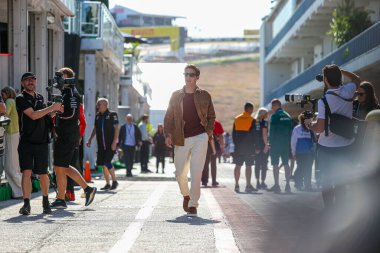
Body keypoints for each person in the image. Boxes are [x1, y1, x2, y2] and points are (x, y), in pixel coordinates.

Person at [164, 64, 215, 217]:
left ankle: (193, 204)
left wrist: (209, 131)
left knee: (196, 171)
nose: (188, 77)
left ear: (197, 77)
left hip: (200, 136)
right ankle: (186, 195)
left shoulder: (205, 95)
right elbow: (169, 117)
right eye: (186, 74)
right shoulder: (175, 95)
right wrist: (168, 134)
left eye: (191, 75)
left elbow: (211, 115)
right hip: (181, 137)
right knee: (180, 172)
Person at [308, 65, 361, 207]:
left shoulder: (323, 101)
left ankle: (330, 210)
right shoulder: (348, 91)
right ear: (340, 77)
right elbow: (357, 79)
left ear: (325, 80)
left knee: (327, 181)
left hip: (327, 147)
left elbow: (319, 128)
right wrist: (341, 71)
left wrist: (310, 125)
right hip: (347, 144)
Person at [16, 72, 62, 215]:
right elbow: (34, 115)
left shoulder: (40, 97)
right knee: (27, 172)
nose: (30, 82)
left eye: (33, 80)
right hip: (27, 141)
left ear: (36, 82)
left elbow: (46, 117)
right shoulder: (20, 98)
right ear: (23, 83)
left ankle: (45, 202)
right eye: (27, 80)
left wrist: (56, 110)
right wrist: (52, 107)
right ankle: (26, 204)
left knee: (43, 173)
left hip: (42, 141)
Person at [50, 67, 97, 209]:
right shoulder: (66, 92)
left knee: (60, 167)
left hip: (68, 134)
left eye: (61, 77)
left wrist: (55, 111)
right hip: (65, 134)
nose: (58, 80)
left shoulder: (71, 93)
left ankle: (67, 196)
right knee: (61, 166)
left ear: (68, 78)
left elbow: (72, 115)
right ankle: (66, 196)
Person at [86, 98, 119, 190]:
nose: (97, 106)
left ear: (104, 105)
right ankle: (108, 184)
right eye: (97, 104)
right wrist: (89, 139)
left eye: (99, 104)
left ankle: (115, 181)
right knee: (103, 165)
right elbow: (95, 128)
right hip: (101, 145)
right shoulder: (97, 116)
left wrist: (114, 142)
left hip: (110, 144)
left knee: (107, 162)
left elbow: (116, 129)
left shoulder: (112, 115)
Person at [1, 87, 23, 198]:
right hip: (13, 133)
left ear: (7, 94)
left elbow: (5, 114)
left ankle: (23, 188)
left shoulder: (9, 101)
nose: (2, 97)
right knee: (12, 165)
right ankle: (19, 192)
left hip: (11, 133)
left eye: (3, 94)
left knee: (11, 166)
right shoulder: (12, 101)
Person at [267, 99, 292, 194]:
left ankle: (277, 185)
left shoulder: (274, 116)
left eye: (272, 106)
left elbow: (272, 131)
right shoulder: (287, 115)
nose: (271, 108)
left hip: (276, 144)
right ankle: (288, 185)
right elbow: (290, 130)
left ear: (275, 105)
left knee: (275, 164)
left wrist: (270, 143)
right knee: (286, 163)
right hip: (286, 144)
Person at [232, 102, 257, 193]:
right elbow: (254, 135)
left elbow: (233, 134)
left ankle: (237, 185)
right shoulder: (252, 120)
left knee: (238, 165)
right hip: (249, 147)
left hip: (238, 147)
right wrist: (256, 147)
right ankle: (248, 185)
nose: (252, 111)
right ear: (249, 109)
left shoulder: (237, 119)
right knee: (249, 166)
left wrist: (236, 145)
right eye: (252, 109)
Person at [65, 101, 86, 201]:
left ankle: (69, 192)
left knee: (65, 166)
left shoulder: (63, 103)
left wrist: (80, 137)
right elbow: (83, 123)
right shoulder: (78, 105)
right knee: (68, 166)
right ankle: (69, 192)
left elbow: (83, 123)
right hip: (72, 139)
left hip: (69, 139)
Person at [291, 111, 316, 191]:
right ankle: (298, 183)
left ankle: (308, 185)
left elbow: (314, 141)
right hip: (300, 153)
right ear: (304, 119)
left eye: (311, 118)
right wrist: (293, 152)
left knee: (308, 168)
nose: (311, 120)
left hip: (310, 153)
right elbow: (293, 142)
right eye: (309, 118)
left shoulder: (312, 128)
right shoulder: (297, 129)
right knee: (301, 168)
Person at [202, 119, 224, 187]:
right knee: (213, 164)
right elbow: (220, 136)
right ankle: (214, 181)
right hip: (214, 144)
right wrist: (222, 146)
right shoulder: (217, 123)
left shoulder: (203, 123)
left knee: (205, 163)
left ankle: (204, 181)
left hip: (205, 144)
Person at [253, 107, 269, 190]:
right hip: (263, 145)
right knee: (264, 164)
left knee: (257, 164)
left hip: (256, 145)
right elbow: (264, 134)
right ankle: (262, 182)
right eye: (266, 113)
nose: (267, 115)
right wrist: (266, 145)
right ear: (264, 114)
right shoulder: (265, 122)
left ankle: (257, 182)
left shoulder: (254, 122)